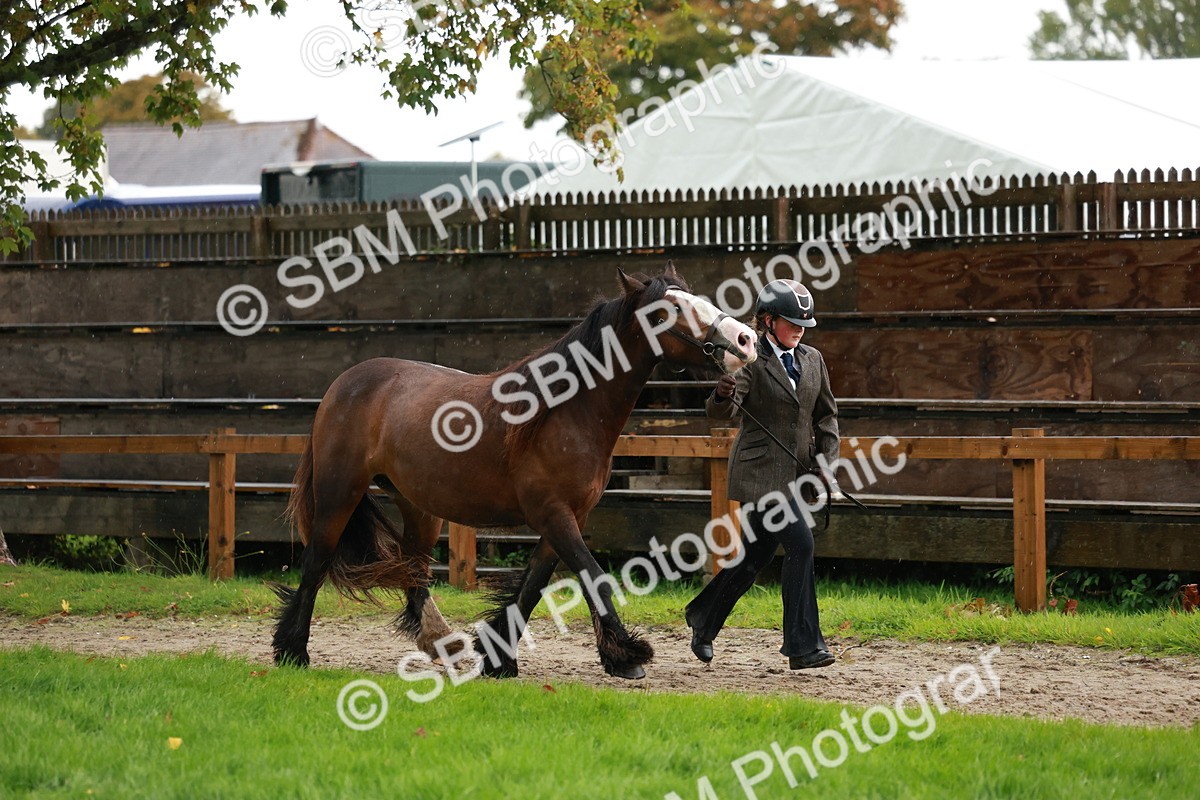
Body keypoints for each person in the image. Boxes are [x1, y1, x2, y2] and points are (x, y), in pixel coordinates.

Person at [685, 279, 841, 670]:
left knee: (753, 559)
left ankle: (703, 619)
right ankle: (803, 646)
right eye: (791, 321)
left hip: (795, 475)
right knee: (801, 545)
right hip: (759, 476)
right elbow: (724, 411)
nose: (800, 329)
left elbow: (827, 418)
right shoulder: (750, 359)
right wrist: (721, 395)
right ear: (768, 321)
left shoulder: (813, 360)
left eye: (804, 323)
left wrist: (826, 464)